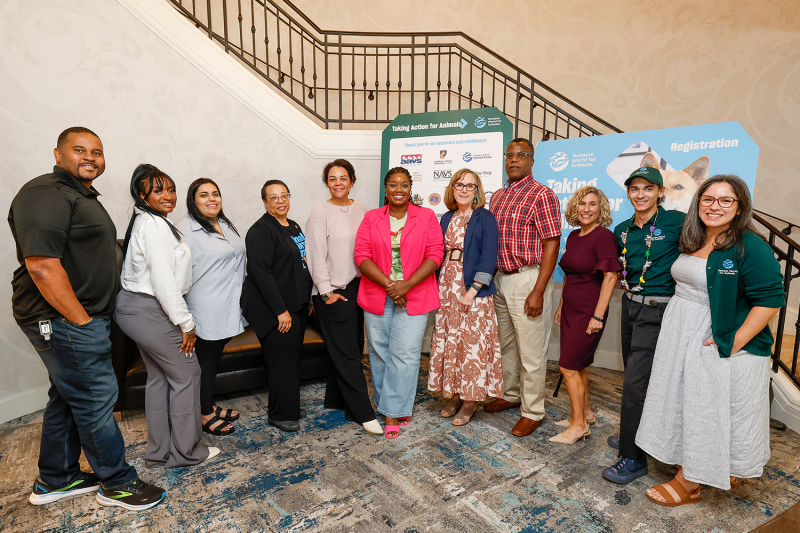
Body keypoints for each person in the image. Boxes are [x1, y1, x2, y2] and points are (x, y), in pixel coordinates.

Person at [9, 127, 165, 510]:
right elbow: (42, 266)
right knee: (96, 398)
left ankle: (57, 478)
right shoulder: (46, 193)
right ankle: (118, 483)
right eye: (79, 150)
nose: (90, 157)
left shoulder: (78, 194)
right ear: (58, 154)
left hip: (76, 318)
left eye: (97, 151)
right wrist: (81, 321)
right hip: (63, 319)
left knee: (68, 396)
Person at [636, 175, 784, 506]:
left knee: (707, 408)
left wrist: (731, 341)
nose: (714, 206)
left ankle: (689, 483)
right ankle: (700, 464)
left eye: (725, 200)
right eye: (707, 199)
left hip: (717, 340)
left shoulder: (750, 246)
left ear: (740, 206)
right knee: (686, 401)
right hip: (682, 334)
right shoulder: (695, 238)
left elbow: (771, 300)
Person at [115, 164, 219, 468]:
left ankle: (159, 453)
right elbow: (164, 282)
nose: (168, 195)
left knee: (160, 379)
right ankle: (187, 453)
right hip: (149, 309)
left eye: (171, 189)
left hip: (135, 309)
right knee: (188, 375)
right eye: (158, 190)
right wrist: (187, 324)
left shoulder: (147, 220)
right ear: (141, 194)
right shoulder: (155, 225)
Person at [602, 166, 685, 484]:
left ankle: (633, 458)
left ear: (660, 192)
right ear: (627, 193)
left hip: (658, 311)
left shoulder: (676, 222)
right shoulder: (622, 229)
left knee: (636, 385)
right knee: (636, 379)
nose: (641, 194)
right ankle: (633, 435)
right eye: (634, 189)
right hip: (630, 308)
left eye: (648, 189)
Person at [354, 167, 443, 439]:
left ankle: (392, 410)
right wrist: (392, 287)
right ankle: (390, 403)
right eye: (393, 184)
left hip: (415, 294)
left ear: (410, 188)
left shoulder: (427, 216)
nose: (399, 189)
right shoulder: (371, 218)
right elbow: (361, 255)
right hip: (378, 293)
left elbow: (435, 254)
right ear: (386, 188)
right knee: (380, 352)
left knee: (404, 354)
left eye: (404, 185)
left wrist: (406, 285)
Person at [484, 138, 562, 437]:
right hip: (500, 279)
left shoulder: (542, 194)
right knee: (505, 346)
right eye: (510, 155)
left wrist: (539, 290)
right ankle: (510, 394)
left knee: (531, 352)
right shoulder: (498, 196)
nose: (514, 160)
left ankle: (533, 411)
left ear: (531, 161)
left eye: (521, 155)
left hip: (529, 278)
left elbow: (551, 243)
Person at [305, 160, 382, 435]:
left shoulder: (361, 208)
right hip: (332, 290)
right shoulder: (319, 212)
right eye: (332, 178)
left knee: (351, 345)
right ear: (327, 182)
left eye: (343, 178)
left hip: (357, 286)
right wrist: (326, 292)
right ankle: (362, 412)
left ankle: (336, 399)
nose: (338, 182)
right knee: (349, 354)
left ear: (352, 180)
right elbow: (314, 255)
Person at [428, 168, 503, 426]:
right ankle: (455, 395)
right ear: (452, 189)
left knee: (471, 347)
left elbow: (489, 256)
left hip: (473, 291)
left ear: (477, 191)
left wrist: (472, 291)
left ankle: (470, 402)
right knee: (451, 343)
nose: (463, 189)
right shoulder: (446, 217)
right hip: (447, 287)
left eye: (470, 186)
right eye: (459, 184)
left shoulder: (485, 218)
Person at [175, 178, 246, 437]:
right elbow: (175, 271)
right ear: (193, 200)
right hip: (205, 305)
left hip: (229, 303)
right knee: (205, 361)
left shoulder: (224, 223)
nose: (211, 199)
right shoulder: (184, 228)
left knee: (212, 359)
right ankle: (204, 413)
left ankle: (208, 404)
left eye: (215, 193)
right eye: (203, 195)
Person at [241, 180, 313, 432]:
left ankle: (288, 405)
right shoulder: (260, 230)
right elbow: (260, 274)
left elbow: (301, 265)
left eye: (284, 195)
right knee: (282, 360)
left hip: (296, 303)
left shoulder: (292, 226)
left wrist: (308, 299)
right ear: (264, 202)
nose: (280, 200)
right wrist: (280, 311)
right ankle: (280, 414)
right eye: (274, 197)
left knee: (291, 358)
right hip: (275, 308)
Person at [551, 186, 621, 444]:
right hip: (571, 309)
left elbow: (611, 276)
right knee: (577, 365)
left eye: (593, 204)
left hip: (589, 311)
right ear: (575, 208)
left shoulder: (603, 236)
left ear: (600, 208)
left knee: (567, 366)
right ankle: (586, 413)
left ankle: (579, 425)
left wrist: (598, 316)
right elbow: (570, 274)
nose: (586, 209)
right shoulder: (574, 237)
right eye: (582, 204)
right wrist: (561, 306)